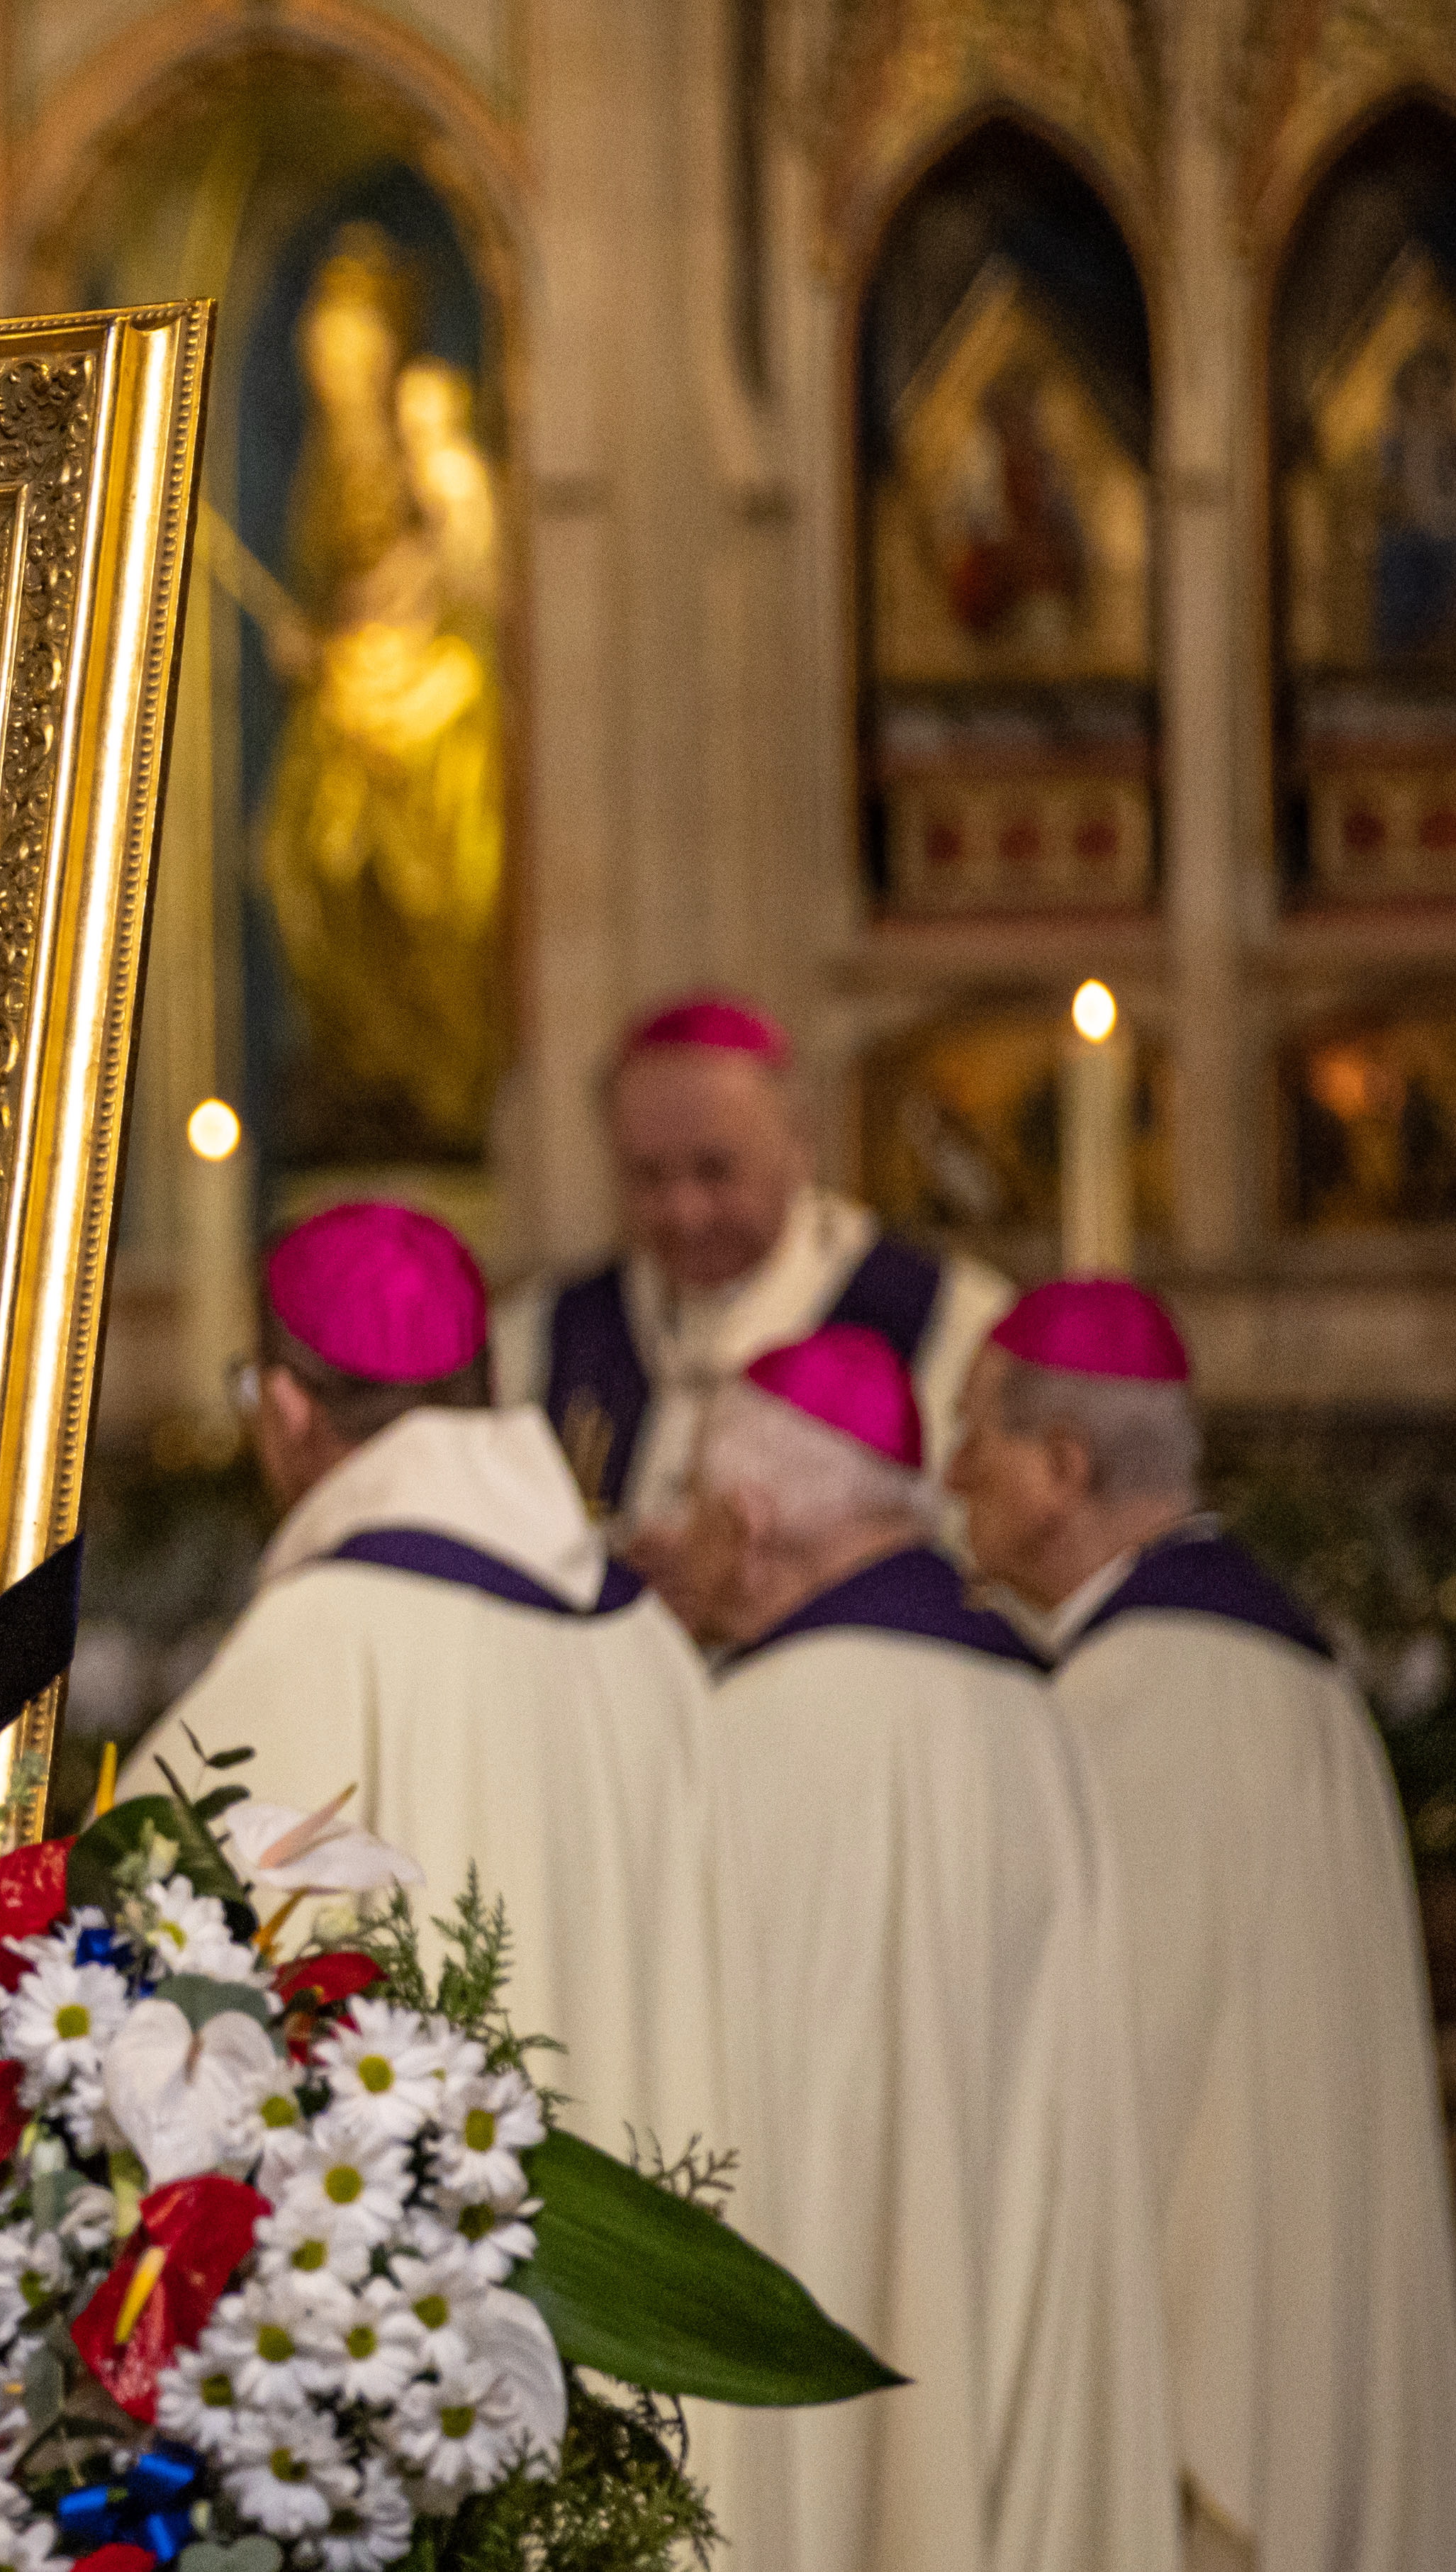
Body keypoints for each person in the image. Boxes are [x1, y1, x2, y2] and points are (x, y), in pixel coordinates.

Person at [943, 1278, 1456, 2572]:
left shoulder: (1137, 1698)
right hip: (1306, 2296)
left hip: (1192, 2336)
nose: (948, 1475)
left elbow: (1104, 2088)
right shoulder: (1290, 1666)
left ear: (1061, 1465)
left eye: (973, 1437)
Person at [681, 1326, 1174, 2572]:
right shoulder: (1037, 1710)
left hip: (806, 2356)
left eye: (687, 1498)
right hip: (1010, 2311)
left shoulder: (735, 1738)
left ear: (746, 1517)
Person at [159, 1200, 727, 2164]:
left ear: (288, 1408)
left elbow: (158, 1961)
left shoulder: (326, 1630)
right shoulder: (646, 1639)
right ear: (489, 1385)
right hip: (645, 2257)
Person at [495, 993, 1009, 1541]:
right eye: (647, 1177)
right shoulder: (542, 1334)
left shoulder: (946, 1323)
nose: (684, 1213)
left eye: (714, 1171)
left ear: (799, 1147)